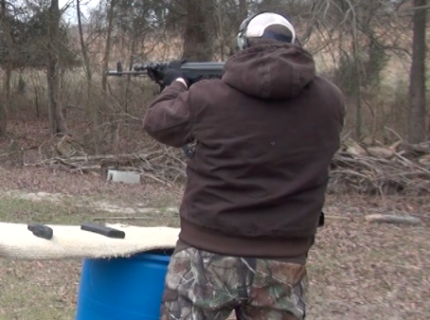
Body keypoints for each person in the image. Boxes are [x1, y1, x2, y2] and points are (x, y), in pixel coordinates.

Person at [142, 12, 346, 320]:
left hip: (206, 249)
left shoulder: (208, 97)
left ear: (242, 44)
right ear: (295, 44)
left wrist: (176, 84)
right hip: (285, 257)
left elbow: (158, 123)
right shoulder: (331, 100)